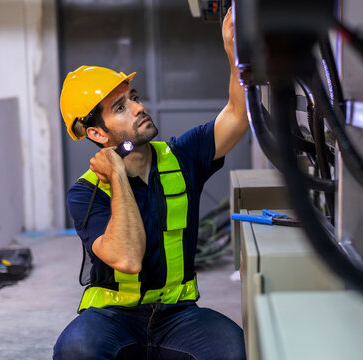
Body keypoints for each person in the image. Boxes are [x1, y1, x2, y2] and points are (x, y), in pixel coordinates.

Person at [54, 9, 248, 360]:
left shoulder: (182, 155)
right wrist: (117, 174)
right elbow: (127, 259)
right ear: (97, 133)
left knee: (232, 347)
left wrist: (234, 52)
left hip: (178, 317)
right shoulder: (85, 192)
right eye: (121, 107)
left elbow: (237, 115)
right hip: (112, 318)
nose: (139, 107)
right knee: (75, 350)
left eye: (134, 97)